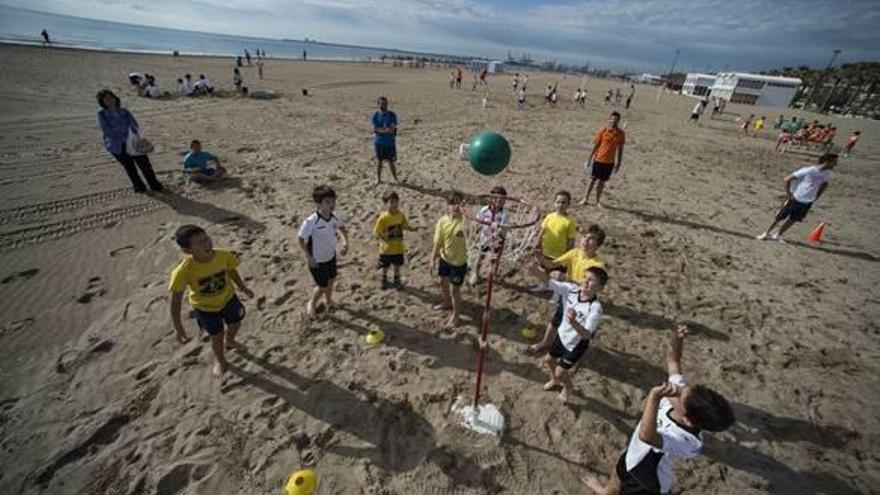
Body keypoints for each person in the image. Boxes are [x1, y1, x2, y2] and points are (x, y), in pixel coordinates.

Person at [582, 324, 735, 495]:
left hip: (647, 482)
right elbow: (673, 360)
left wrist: (654, 398)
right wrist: (677, 338)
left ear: (687, 420)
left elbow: (647, 436)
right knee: (618, 474)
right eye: (683, 388)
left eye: (679, 395)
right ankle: (605, 492)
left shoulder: (688, 441)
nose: (676, 390)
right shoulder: (684, 401)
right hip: (634, 456)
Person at [169, 225, 255, 376]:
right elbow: (175, 301)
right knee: (216, 337)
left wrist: (243, 287)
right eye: (200, 243)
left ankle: (230, 341)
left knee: (236, 323)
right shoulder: (182, 271)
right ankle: (221, 360)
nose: (207, 244)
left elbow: (231, 270)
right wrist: (178, 327)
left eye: (206, 239)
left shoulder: (223, 256)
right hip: (205, 309)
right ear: (187, 250)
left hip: (229, 299)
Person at [532, 225, 606, 352]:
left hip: (585, 299)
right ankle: (545, 342)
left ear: (598, 245)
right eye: (584, 237)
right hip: (570, 295)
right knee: (556, 320)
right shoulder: (574, 253)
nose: (585, 240)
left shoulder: (598, 265)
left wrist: (566, 279)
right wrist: (540, 257)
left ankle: (573, 352)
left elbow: (588, 286)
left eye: (591, 239)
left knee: (578, 329)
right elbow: (552, 264)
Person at [543, 266, 607, 405]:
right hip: (562, 335)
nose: (585, 281)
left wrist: (573, 321)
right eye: (584, 277)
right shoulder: (572, 289)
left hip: (576, 344)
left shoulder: (595, 308)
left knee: (561, 372)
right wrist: (533, 269)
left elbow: (587, 335)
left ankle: (568, 387)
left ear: (599, 288)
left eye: (591, 280)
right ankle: (554, 380)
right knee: (549, 360)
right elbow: (549, 282)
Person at [756, 152, 837, 242]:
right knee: (780, 216)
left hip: (808, 201)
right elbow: (787, 179)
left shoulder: (826, 174)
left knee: (794, 219)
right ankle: (766, 233)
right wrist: (789, 194)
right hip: (796, 197)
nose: (835, 164)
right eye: (834, 162)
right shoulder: (809, 170)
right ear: (827, 161)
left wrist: (816, 196)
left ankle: (778, 234)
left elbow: (825, 184)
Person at [96, 89, 164, 193]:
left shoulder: (124, 111)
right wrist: (123, 134)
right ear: (102, 101)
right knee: (130, 167)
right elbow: (106, 129)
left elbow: (134, 124)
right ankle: (139, 187)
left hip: (133, 141)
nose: (110, 100)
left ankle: (154, 185)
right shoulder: (101, 114)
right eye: (106, 99)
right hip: (117, 145)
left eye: (111, 97)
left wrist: (130, 134)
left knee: (145, 165)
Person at [298, 185, 350, 319]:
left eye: (333, 201)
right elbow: (300, 239)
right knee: (322, 286)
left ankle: (328, 300)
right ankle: (312, 303)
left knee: (332, 279)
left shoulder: (334, 217)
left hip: (330, 256)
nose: (332, 205)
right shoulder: (311, 221)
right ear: (318, 203)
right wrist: (309, 258)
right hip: (317, 260)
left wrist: (345, 242)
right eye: (327, 202)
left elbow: (342, 229)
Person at [431, 190, 468, 328]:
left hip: (459, 263)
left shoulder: (466, 222)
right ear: (448, 205)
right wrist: (432, 259)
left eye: (459, 203)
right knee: (443, 283)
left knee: (455, 290)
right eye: (453, 203)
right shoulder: (442, 221)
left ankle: (456, 315)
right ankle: (447, 303)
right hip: (444, 259)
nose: (456, 206)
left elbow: (475, 228)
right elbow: (438, 242)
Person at [580, 111, 625, 207]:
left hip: (610, 162)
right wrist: (589, 158)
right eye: (612, 119)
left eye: (616, 120)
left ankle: (597, 201)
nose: (613, 121)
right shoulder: (603, 131)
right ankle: (585, 198)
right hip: (599, 159)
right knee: (592, 179)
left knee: (602, 181)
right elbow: (596, 145)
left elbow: (620, 149)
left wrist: (619, 163)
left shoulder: (621, 134)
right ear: (609, 119)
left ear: (619, 121)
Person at [373, 190, 413, 289]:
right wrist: (383, 238)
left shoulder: (400, 215)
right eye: (391, 202)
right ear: (385, 204)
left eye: (396, 202)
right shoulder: (383, 218)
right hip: (386, 249)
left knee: (397, 265)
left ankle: (396, 280)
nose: (394, 204)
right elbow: (377, 232)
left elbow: (404, 224)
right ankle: (384, 279)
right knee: (385, 265)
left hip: (398, 247)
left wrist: (410, 227)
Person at [469, 186, 508, 285]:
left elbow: (504, 230)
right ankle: (476, 274)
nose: (499, 201)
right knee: (480, 257)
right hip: (485, 238)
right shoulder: (484, 210)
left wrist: (498, 228)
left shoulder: (504, 214)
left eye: (502, 199)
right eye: (496, 198)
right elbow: (478, 222)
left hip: (498, 240)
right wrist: (477, 226)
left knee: (495, 259)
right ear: (491, 199)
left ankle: (493, 273)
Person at [372, 96, 399, 184]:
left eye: (385, 104)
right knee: (379, 162)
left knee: (391, 161)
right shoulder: (375, 115)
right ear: (378, 104)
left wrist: (381, 130)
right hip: (379, 142)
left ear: (387, 104)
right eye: (381, 103)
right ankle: (378, 179)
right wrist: (385, 130)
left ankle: (395, 179)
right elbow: (375, 129)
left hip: (389, 143)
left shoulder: (392, 115)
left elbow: (391, 130)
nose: (383, 105)